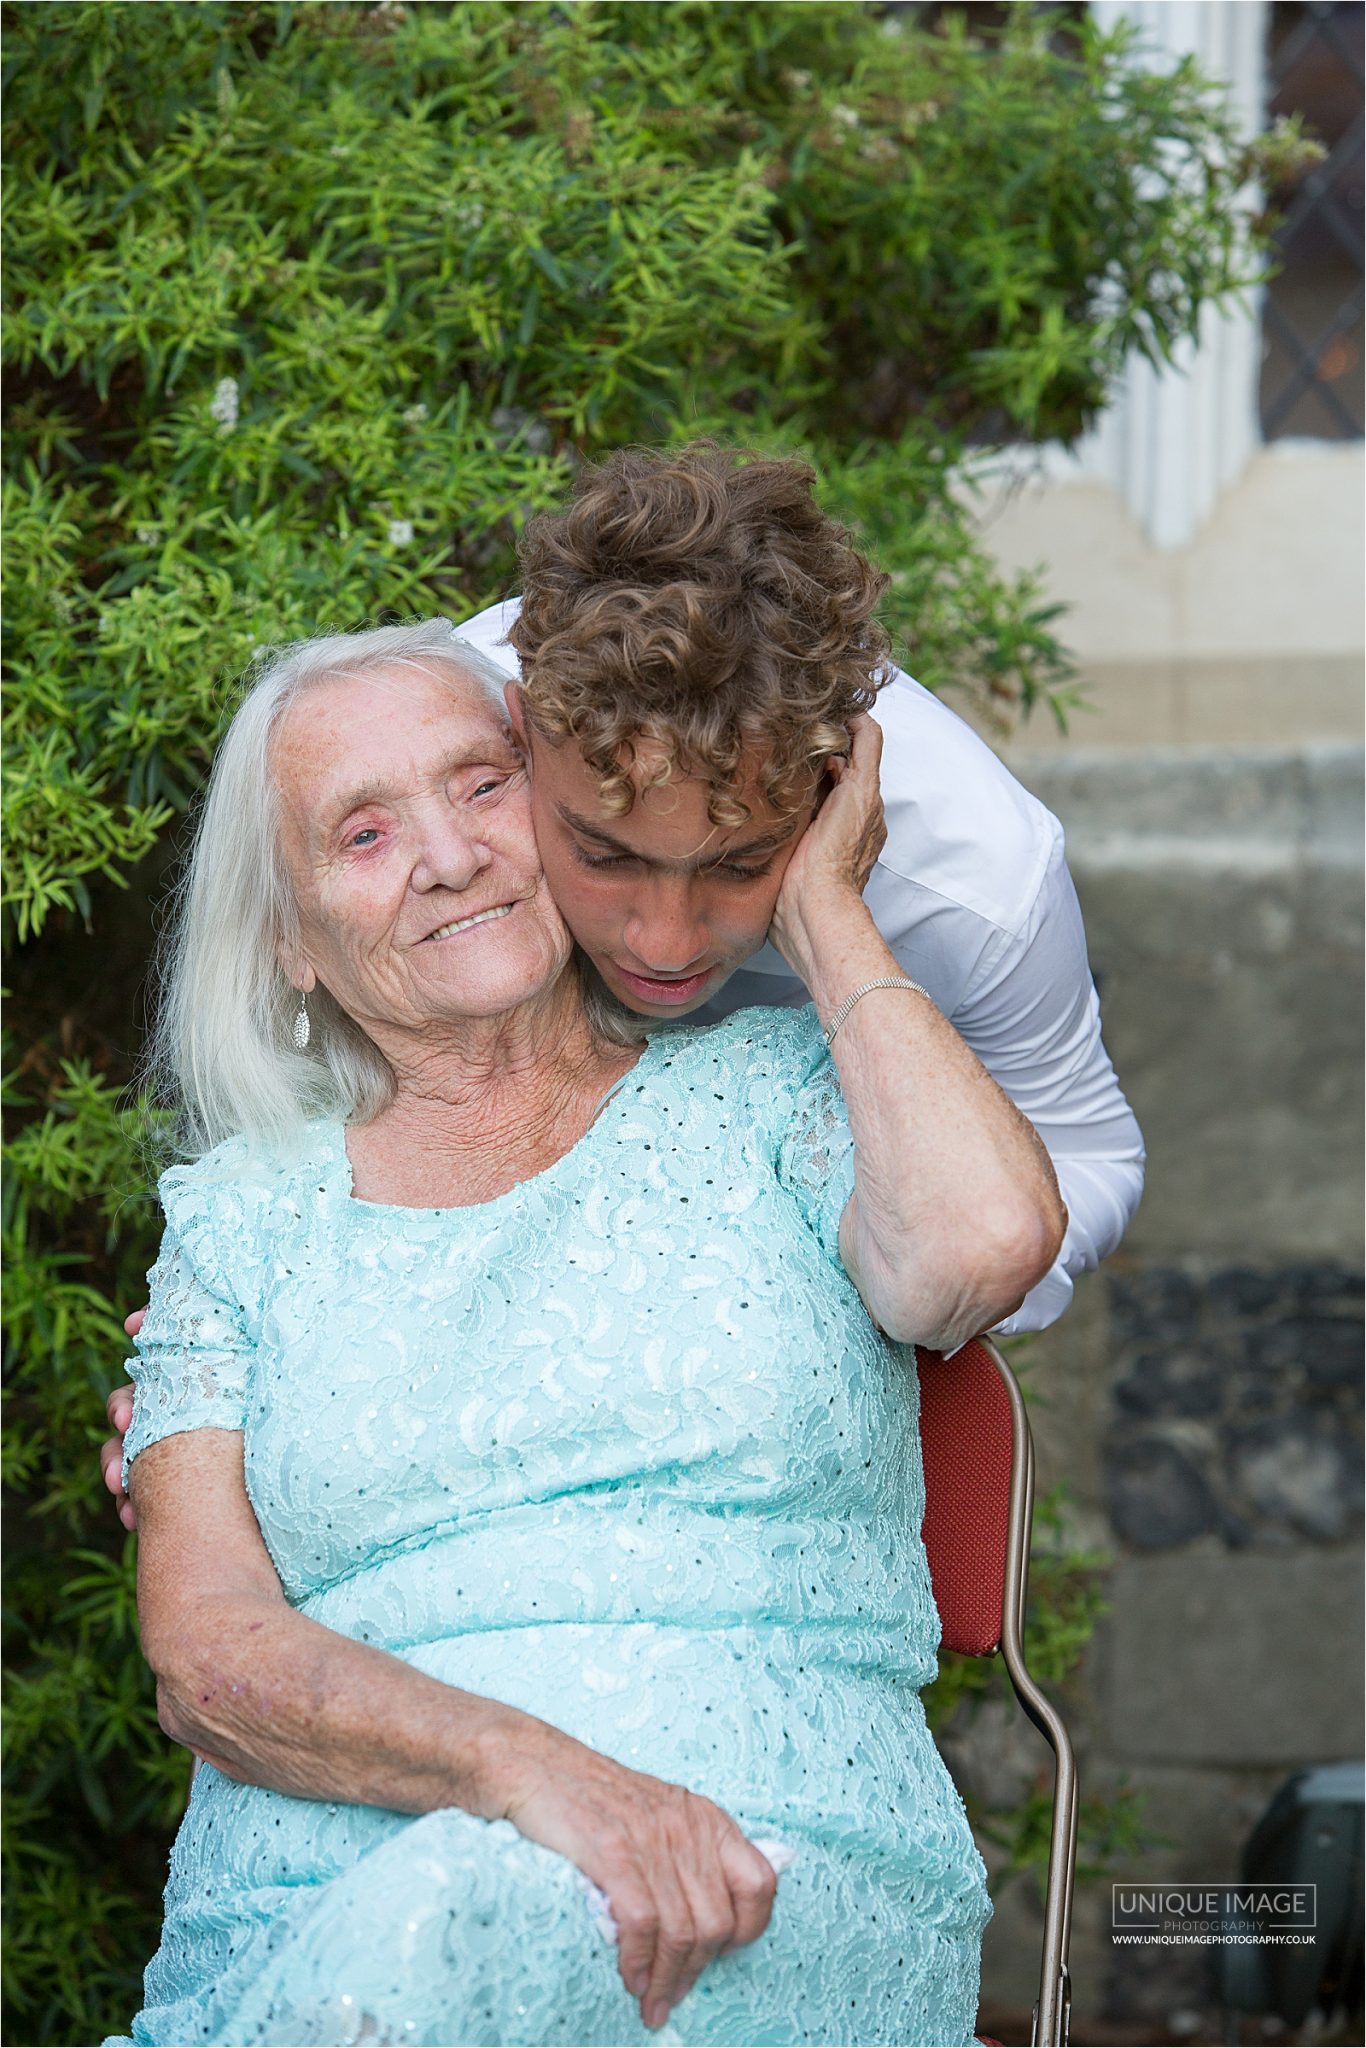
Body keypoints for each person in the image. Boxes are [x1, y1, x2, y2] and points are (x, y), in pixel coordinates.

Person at [104, 613, 1065, 2047]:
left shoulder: (783, 1094)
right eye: (362, 835)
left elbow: (984, 1249)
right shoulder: (237, 1219)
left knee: (438, 1938)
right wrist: (526, 1772)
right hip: (307, 1897)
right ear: (294, 943)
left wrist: (816, 901)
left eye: (481, 786)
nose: (446, 853)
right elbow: (204, 1647)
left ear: (564, 812)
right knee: (415, 1932)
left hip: (751, 1873)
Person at [105, 442, 1133, 1524]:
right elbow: (365, 1081)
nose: (663, 939)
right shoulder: (456, 744)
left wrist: (830, 925)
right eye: (604, 853)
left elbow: (1092, 1155)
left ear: (833, 783)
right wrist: (239, 1401)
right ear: (521, 740)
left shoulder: (981, 883)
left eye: (739, 863)